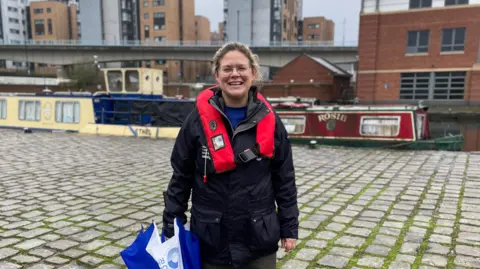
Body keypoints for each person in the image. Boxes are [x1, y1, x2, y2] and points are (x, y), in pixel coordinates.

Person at [162, 42, 299, 269]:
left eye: (241, 68)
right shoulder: (195, 121)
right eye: (227, 69)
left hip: (259, 239)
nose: (234, 74)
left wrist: (289, 227)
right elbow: (181, 177)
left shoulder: (272, 121)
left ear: (253, 73)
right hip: (211, 240)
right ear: (217, 75)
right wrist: (170, 226)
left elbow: (284, 178)